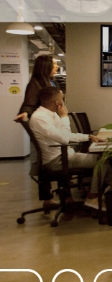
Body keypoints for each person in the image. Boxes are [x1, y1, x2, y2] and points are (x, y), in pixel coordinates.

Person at [28, 87, 112, 210]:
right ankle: (93, 196)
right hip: (57, 161)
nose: (64, 102)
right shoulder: (40, 118)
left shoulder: (51, 114)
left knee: (105, 158)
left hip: (65, 155)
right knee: (103, 160)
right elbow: (64, 139)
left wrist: (89, 137)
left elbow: (65, 135)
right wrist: (64, 117)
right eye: (62, 99)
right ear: (57, 103)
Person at [16, 55, 60, 208]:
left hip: (52, 125)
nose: (57, 66)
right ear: (45, 66)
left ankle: (58, 197)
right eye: (54, 64)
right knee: (45, 160)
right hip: (42, 129)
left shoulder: (50, 82)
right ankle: (48, 198)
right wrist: (25, 113)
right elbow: (29, 103)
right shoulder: (35, 84)